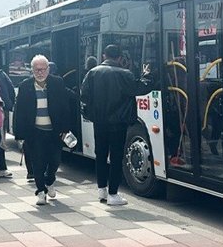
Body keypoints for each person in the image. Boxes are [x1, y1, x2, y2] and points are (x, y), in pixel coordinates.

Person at [80, 44, 152, 206]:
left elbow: (84, 97)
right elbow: (140, 88)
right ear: (120, 58)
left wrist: (92, 116)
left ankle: (101, 190)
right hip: (118, 123)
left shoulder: (92, 73)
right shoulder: (125, 74)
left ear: (104, 56)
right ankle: (113, 194)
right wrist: (147, 74)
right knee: (116, 157)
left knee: (100, 154)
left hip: (100, 122)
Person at [13, 55, 71, 205]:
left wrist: (65, 128)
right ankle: (40, 191)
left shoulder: (57, 83)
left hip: (54, 131)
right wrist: (20, 134)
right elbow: (20, 111)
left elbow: (65, 107)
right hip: (35, 131)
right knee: (37, 162)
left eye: (43, 69)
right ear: (32, 70)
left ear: (48, 69)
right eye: (37, 70)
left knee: (55, 161)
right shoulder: (25, 86)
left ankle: (49, 180)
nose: (40, 73)